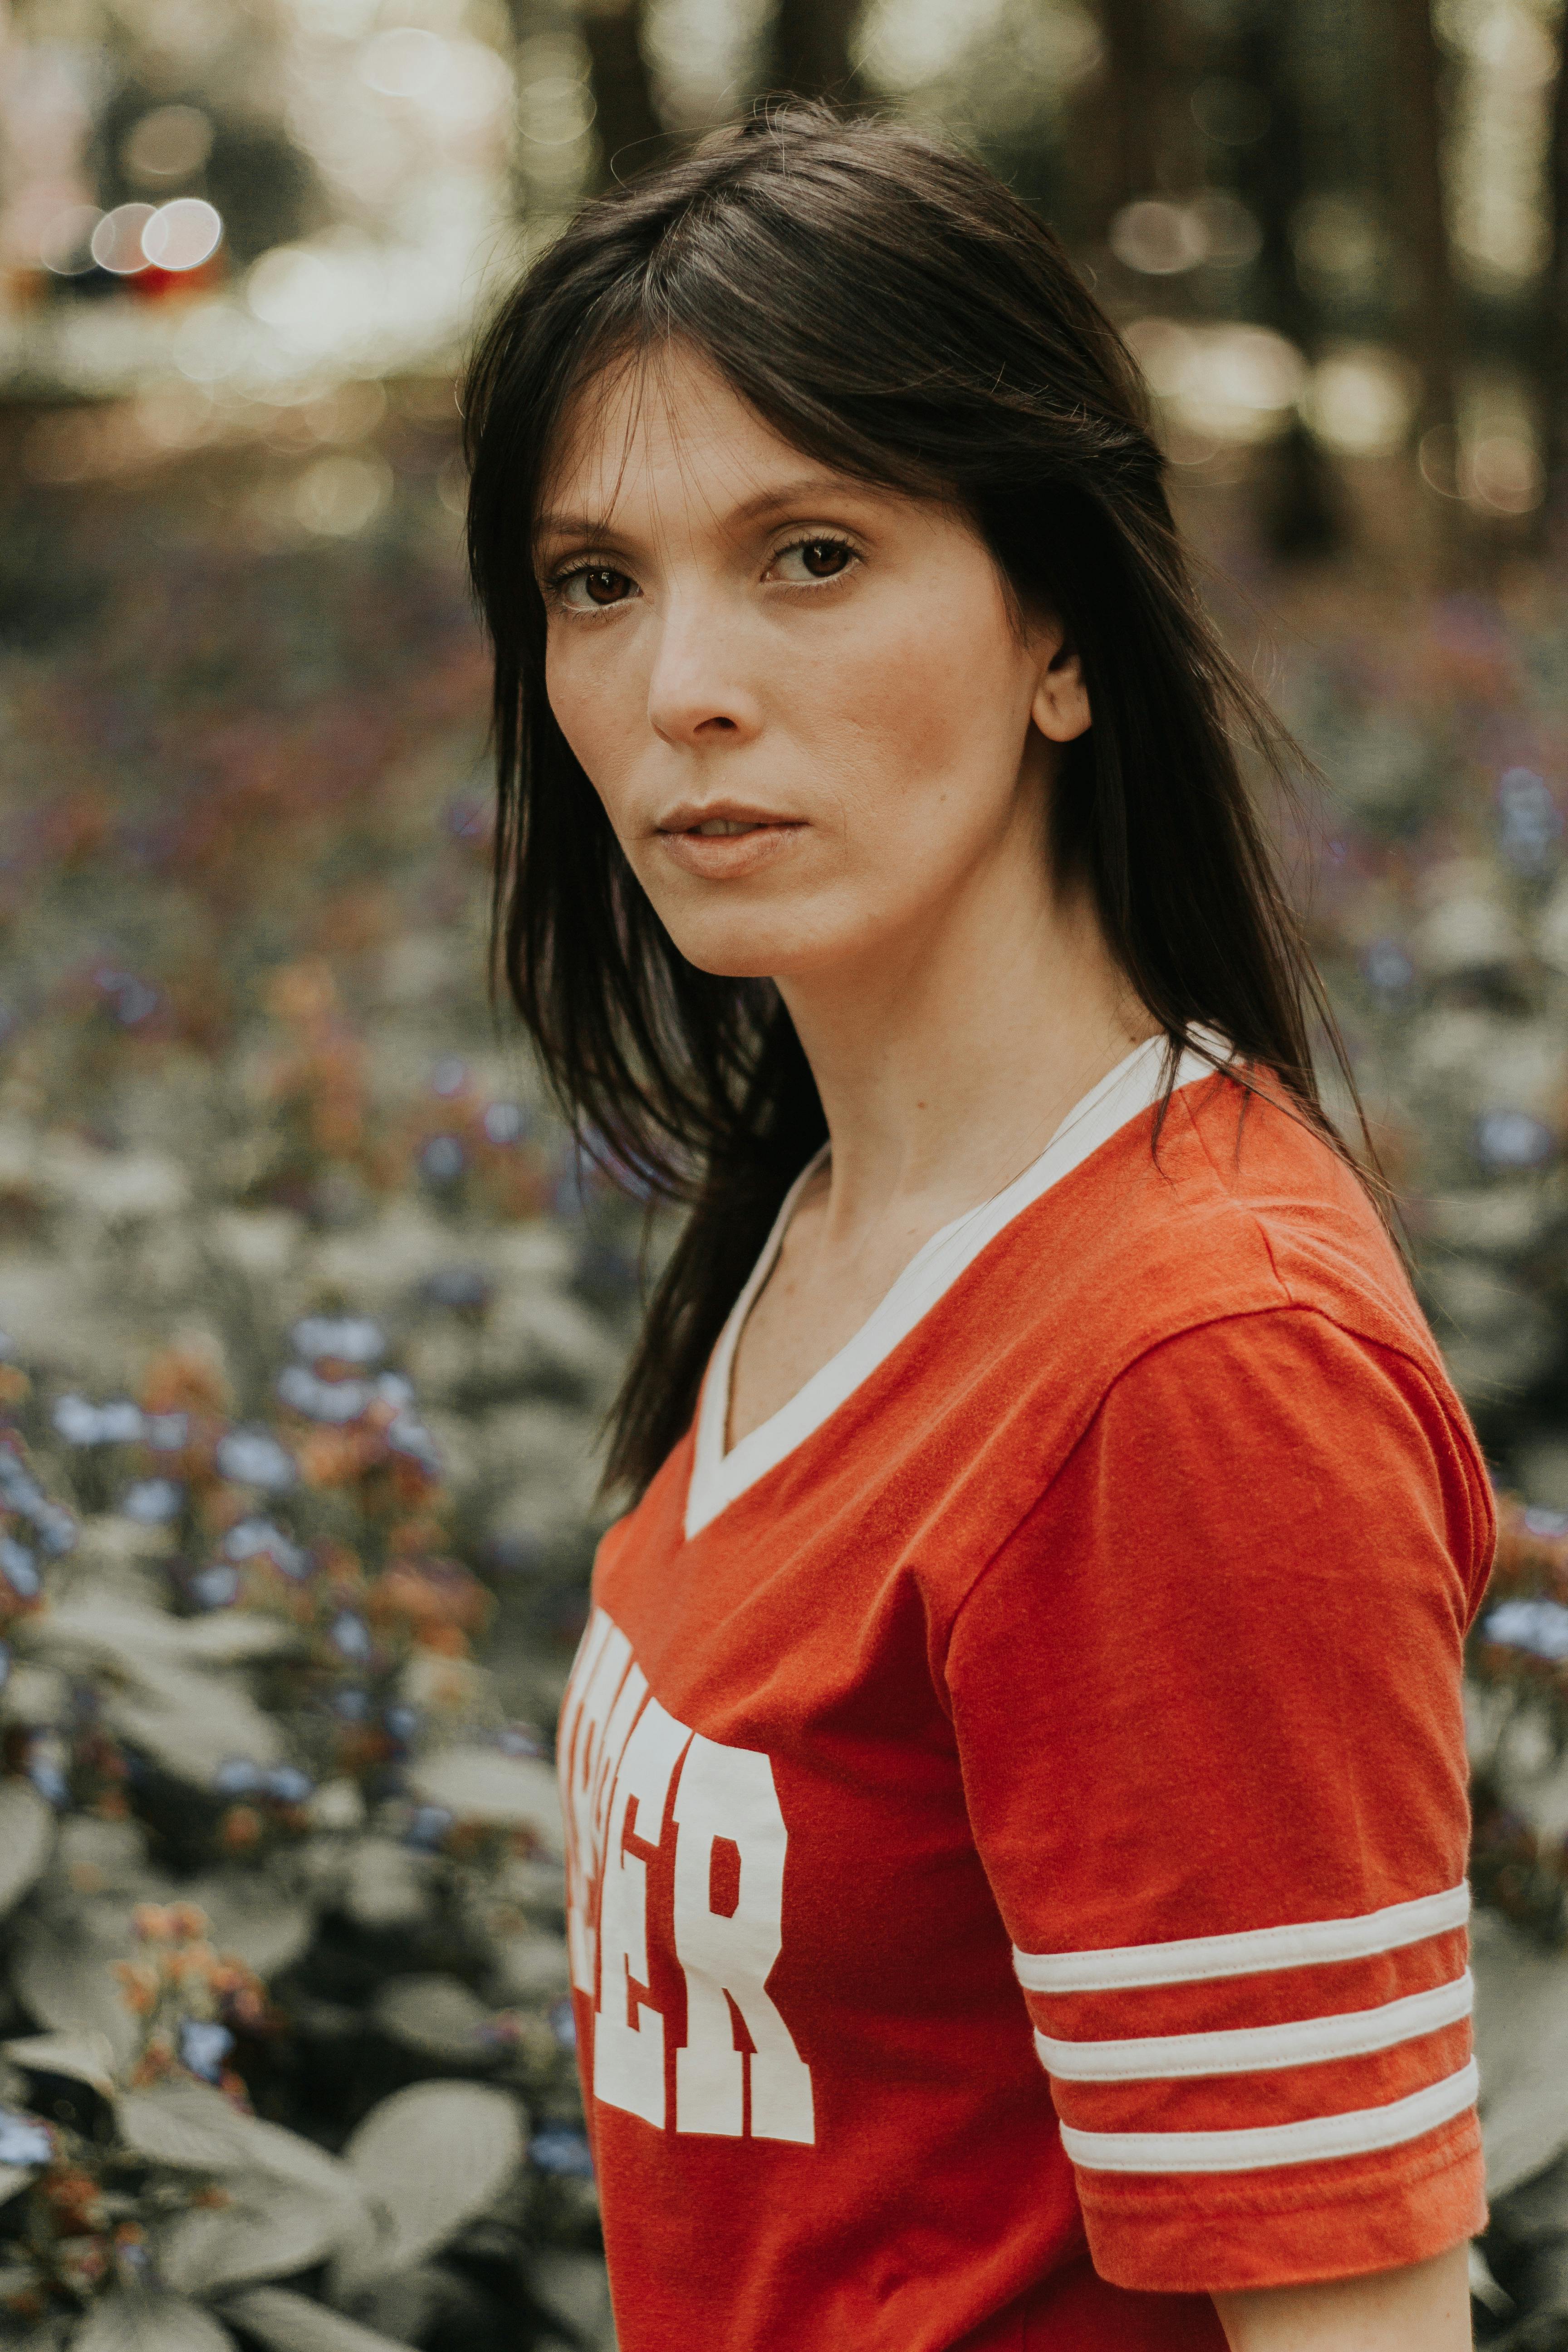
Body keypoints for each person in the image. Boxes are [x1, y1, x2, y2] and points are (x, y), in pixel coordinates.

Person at [463, 105, 1488, 2352]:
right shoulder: (828, 1207)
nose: (676, 688)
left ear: (1063, 636)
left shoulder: (1185, 1377)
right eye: (594, 582)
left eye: (812, 553)